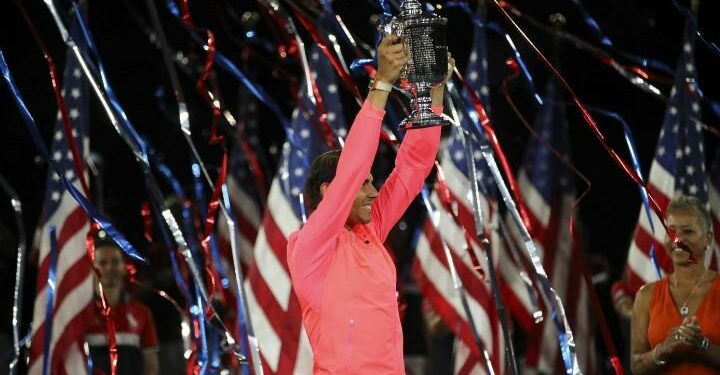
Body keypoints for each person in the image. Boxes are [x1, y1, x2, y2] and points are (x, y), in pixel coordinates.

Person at [287, 35, 453, 374]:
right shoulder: (310, 246)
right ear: (327, 190)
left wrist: (433, 95)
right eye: (365, 185)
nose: (375, 192)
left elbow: (413, 167)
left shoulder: (370, 230)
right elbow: (352, 170)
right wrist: (381, 85)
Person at [630, 195, 720, 374]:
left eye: (688, 231)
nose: (678, 239)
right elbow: (636, 367)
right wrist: (663, 349)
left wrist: (702, 345)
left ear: (708, 238)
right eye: (671, 231)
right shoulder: (646, 296)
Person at [85, 236, 160, 375]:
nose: (109, 267)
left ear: (125, 267)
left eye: (115, 262)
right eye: (102, 262)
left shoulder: (141, 313)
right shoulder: (81, 313)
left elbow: (151, 366)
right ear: (92, 268)